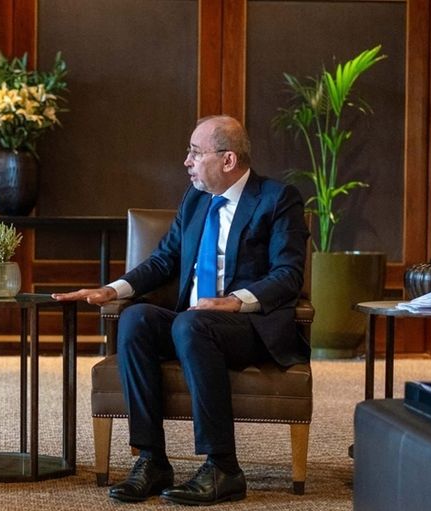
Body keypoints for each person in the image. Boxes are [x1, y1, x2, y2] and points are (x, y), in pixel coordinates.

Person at [53, 115, 309, 506]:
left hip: (247, 326)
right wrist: (111, 289)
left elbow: (288, 274)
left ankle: (223, 467)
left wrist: (235, 300)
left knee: (193, 325)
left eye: (195, 153)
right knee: (136, 318)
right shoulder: (195, 199)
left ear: (227, 160)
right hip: (192, 323)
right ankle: (152, 460)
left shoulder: (277, 198)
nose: (186, 162)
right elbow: (164, 260)